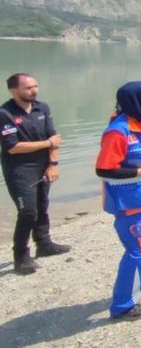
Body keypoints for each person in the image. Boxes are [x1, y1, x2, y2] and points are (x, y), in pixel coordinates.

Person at [95, 81, 141, 321]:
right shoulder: (118, 132)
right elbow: (104, 170)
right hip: (132, 202)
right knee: (140, 250)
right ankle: (123, 305)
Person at [0, 73, 69, 275]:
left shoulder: (42, 108)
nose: (34, 90)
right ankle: (20, 256)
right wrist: (48, 144)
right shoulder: (5, 113)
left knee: (42, 204)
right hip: (19, 170)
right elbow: (13, 147)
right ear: (14, 90)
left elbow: (54, 137)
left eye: (35, 86)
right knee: (28, 211)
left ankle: (44, 243)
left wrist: (53, 164)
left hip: (43, 165)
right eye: (28, 87)